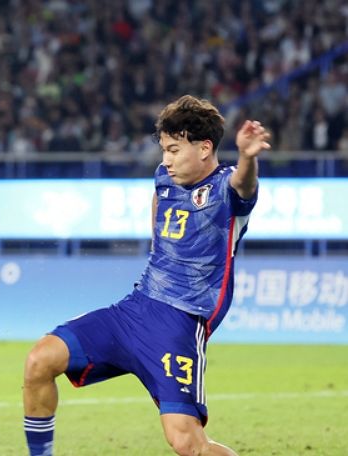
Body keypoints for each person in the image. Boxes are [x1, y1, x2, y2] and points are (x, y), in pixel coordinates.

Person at [23, 95, 272, 456]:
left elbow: (244, 185)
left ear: (204, 148)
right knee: (39, 361)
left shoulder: (225, 190)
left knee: (189, 445)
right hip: (134, 310)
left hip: (179, 326)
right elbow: (159, 221)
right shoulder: (163, 180)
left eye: (174, 150)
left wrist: (248, 158)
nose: (166, 160)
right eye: (164, 150)